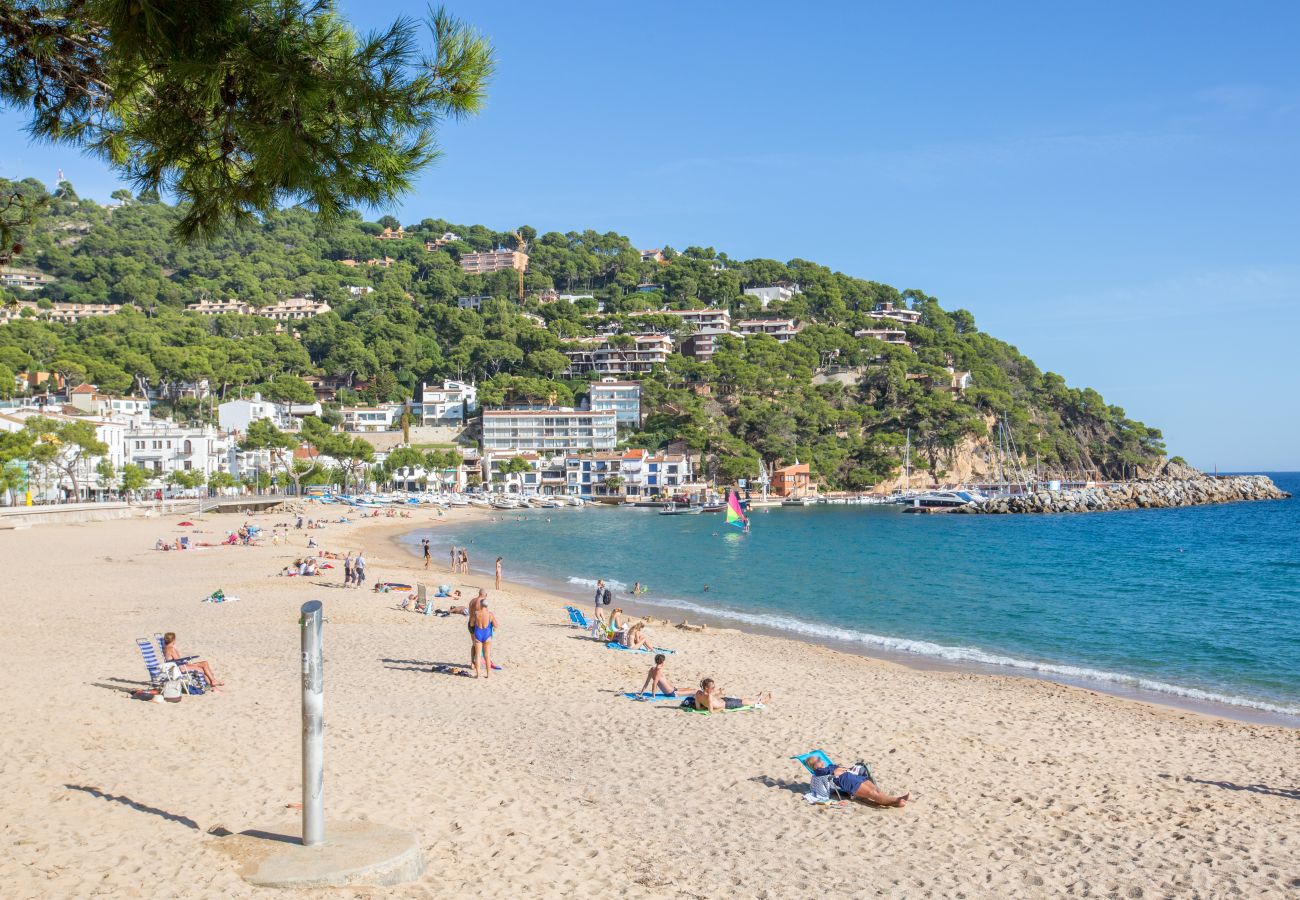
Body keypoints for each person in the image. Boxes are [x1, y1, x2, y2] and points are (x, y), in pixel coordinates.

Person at [802, 751, 910, 808]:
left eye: (819, 759)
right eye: (817, 761)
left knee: (876, 790)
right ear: (814, 766)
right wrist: (842, 770)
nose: (820, 761)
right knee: (872, 793)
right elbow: (837, 772)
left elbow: (839, 769)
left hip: (851, 775)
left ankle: (894, 801)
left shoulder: (826, 767)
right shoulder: (819, 772)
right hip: (846, 781)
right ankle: (896, 801)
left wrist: (846, 769)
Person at [692, 678, 769, 712]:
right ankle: (761, 700)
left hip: (724, 700)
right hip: (727, 704)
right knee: (744, 702)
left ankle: (759, 699)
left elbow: (698, 708)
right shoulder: (709, 697)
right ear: (706, 688)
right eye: (712, 687)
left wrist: (719, 693)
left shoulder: (698, 693)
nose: (714, 688)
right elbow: (711, 711)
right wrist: (720, 708)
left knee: (743, 700)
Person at [469, 599, 497, 678]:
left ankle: (478, 675)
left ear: (481, 605)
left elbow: (471, 624)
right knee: (487, 656)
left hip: (478, 634)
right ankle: (488, 674)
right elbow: (496, 625)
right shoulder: (490, 614)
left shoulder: (476, 613)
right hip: (487, 635)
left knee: (478, 656)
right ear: (487, 606)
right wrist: (493, 628)